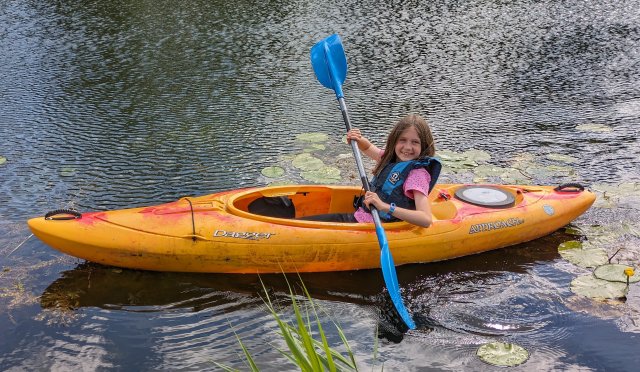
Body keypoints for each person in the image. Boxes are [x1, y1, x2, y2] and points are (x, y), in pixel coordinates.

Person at [302, 114, 441, 227]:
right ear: (394, 141)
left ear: (424, 145)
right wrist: (358, 139)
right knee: (307, 222)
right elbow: (368, 148)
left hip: (375, 226)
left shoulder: (417, 175)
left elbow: (425, 219)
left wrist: (385, 207)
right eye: (402, 140)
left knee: (307, 224)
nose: (407, 147)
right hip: (361, 217)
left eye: (415, 142)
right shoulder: (390, 158)